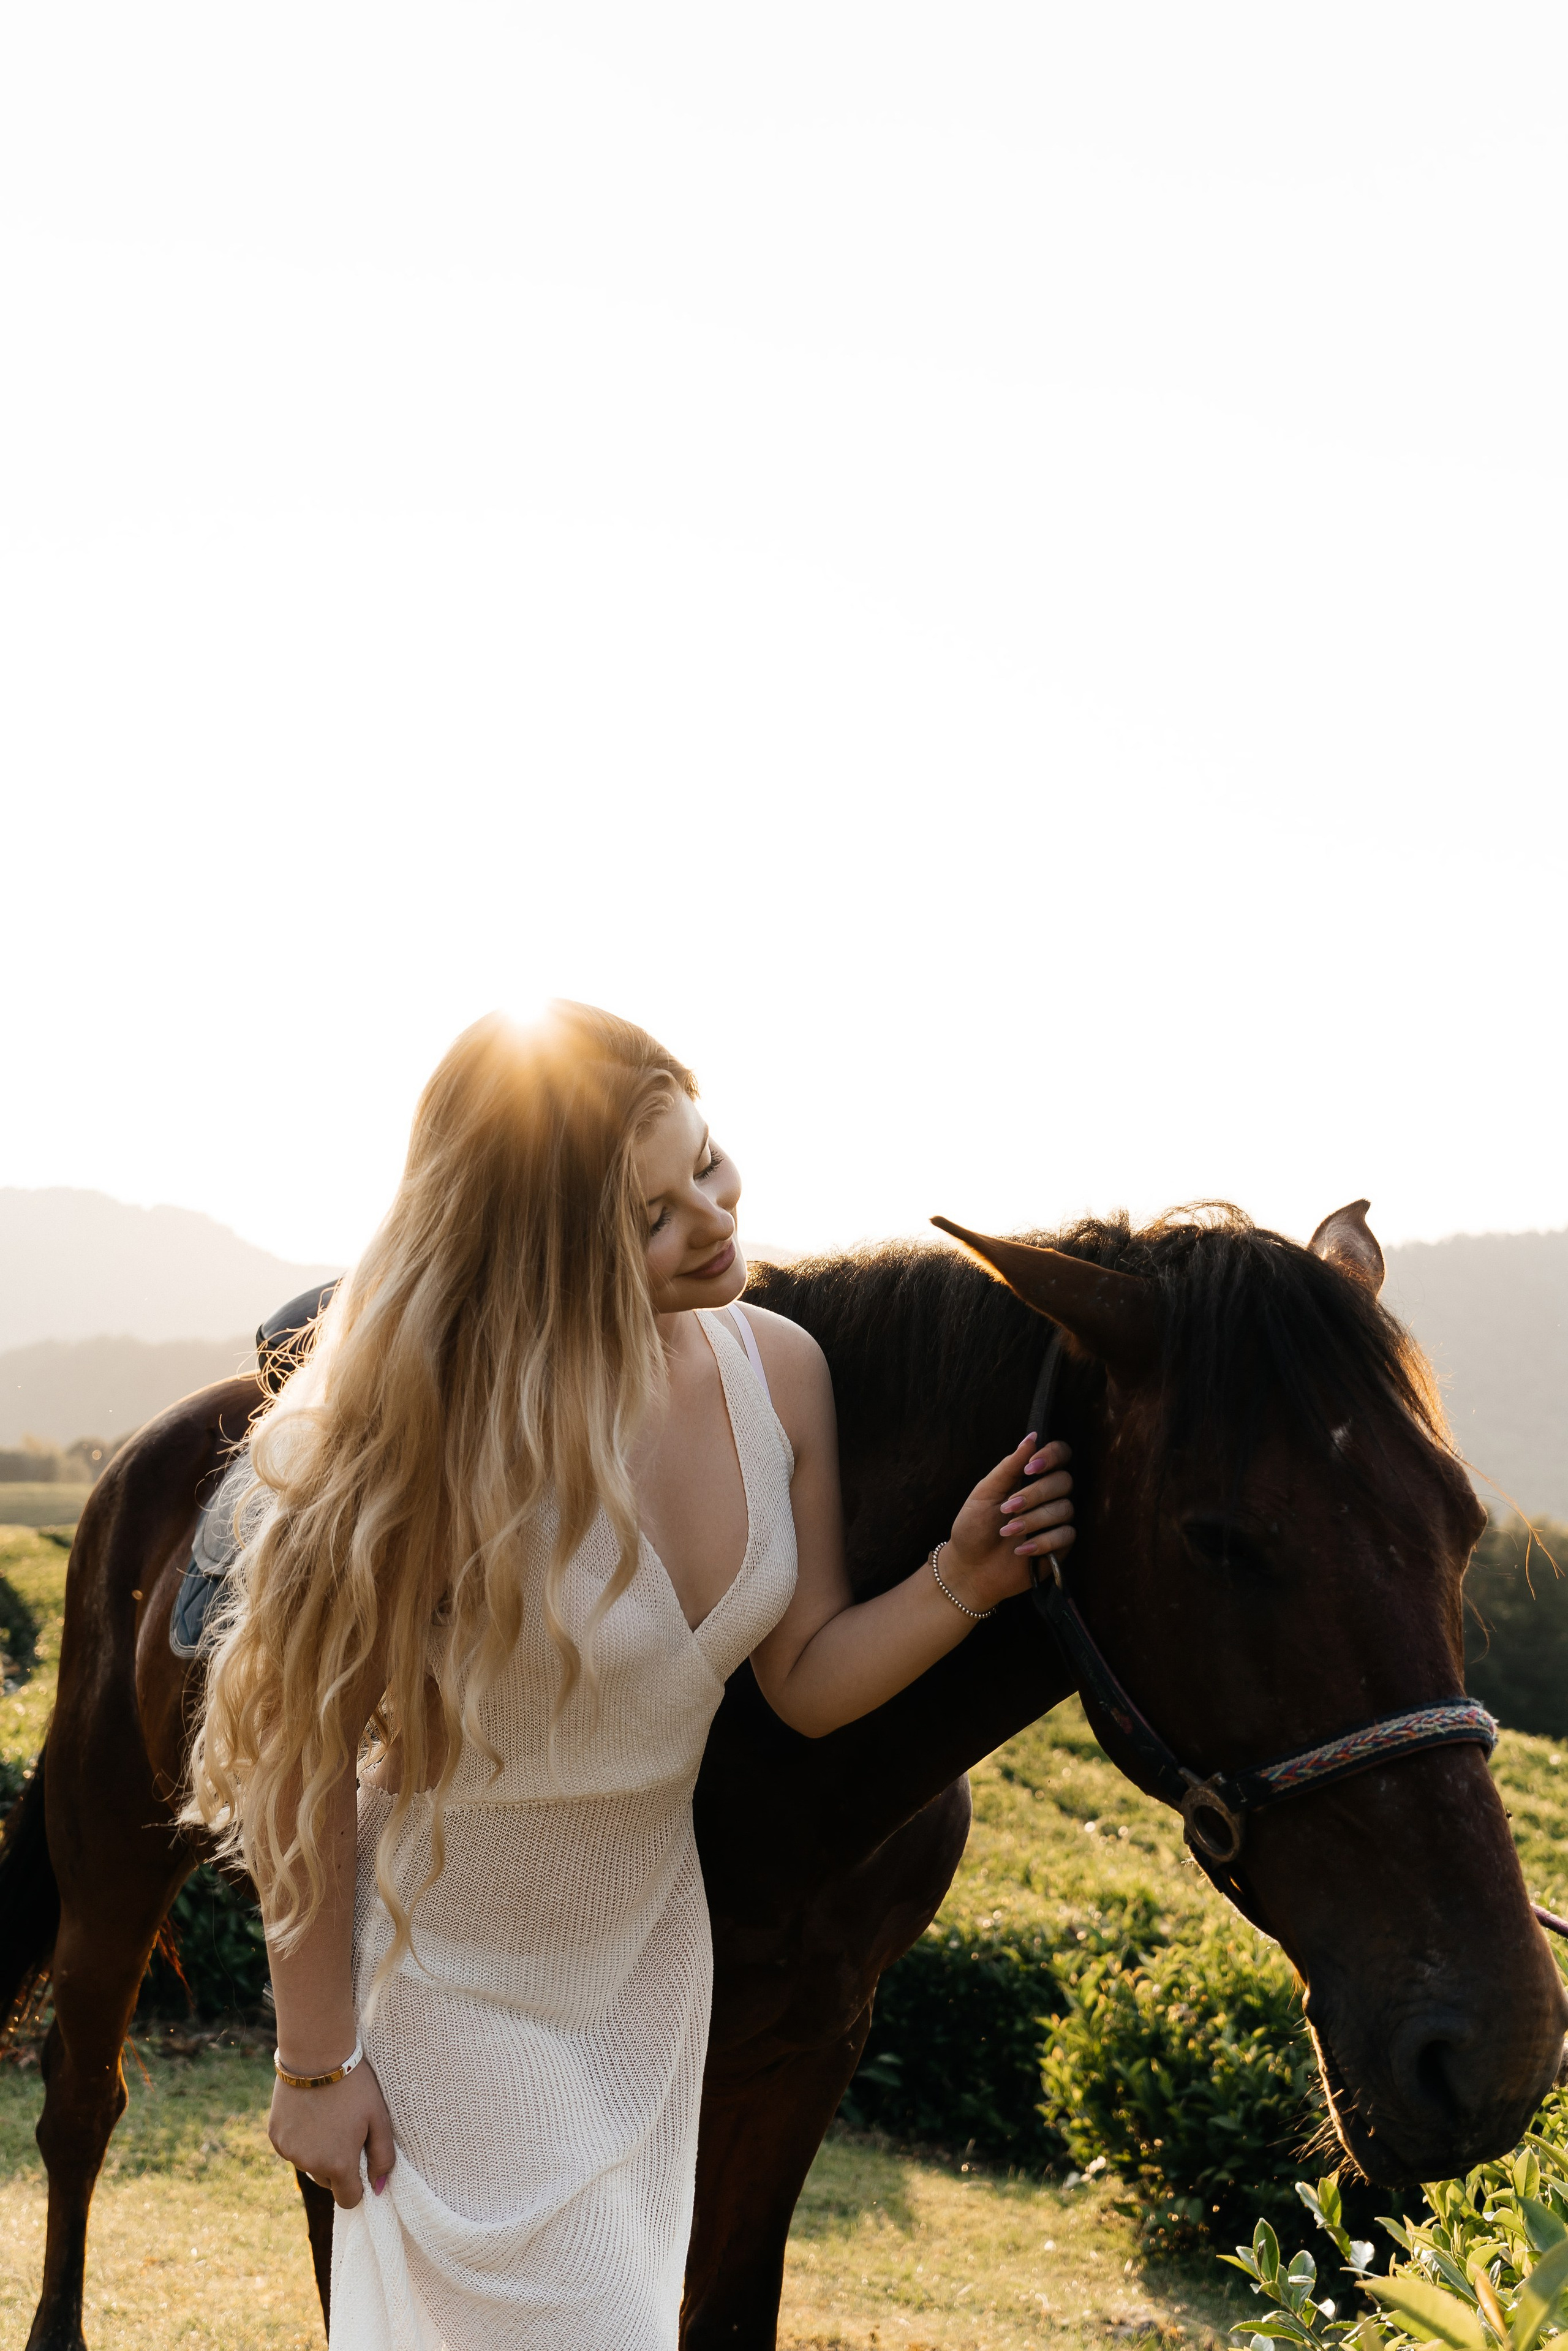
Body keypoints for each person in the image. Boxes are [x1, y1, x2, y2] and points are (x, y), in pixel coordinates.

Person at [188, 1005, 1074, 2350]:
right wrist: (314, 2060)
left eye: (706, 1163)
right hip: (450, 1976)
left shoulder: (778, 1372)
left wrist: (959, 1580)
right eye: (650, 1217)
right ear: (541, 1256)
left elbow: (806, 1677)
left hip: (646, 1975)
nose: (713, 1220)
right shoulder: (435, 1429)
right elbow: (301, 1753)